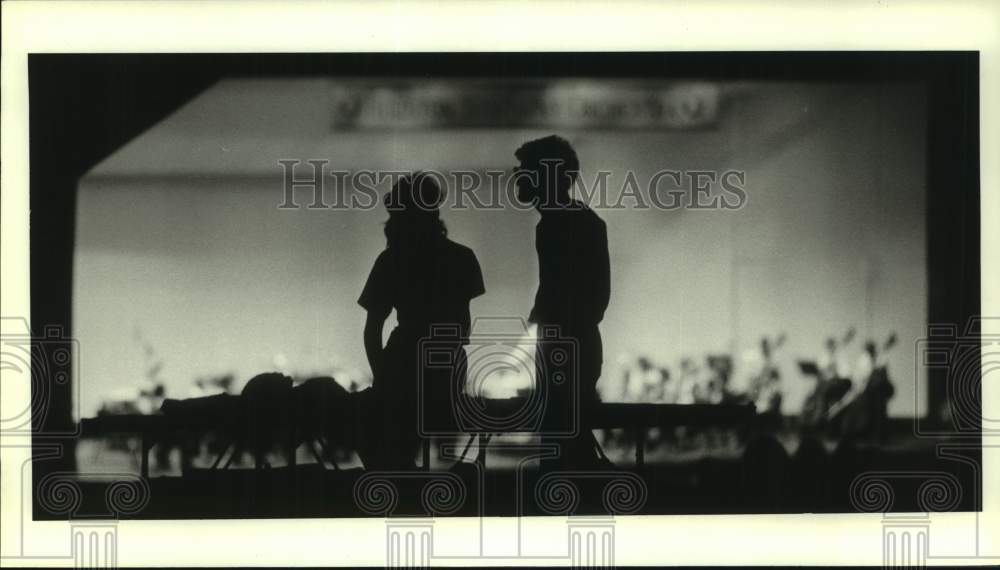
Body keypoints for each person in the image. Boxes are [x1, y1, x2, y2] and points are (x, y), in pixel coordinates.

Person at [358, 173, 485, 469]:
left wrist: (382, 376)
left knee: (388, 451)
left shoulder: (390, 261)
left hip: (401, 362)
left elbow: (372, 328)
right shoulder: (462, 258)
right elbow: (462, 328)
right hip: (448, 366)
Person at [513, 135, 612, 470]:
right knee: (567, 448)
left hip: (565, 352)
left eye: (525, 170)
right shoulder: (574, 223)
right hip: (570, 348)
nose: (517, 177)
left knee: (560, 454)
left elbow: (574, 296)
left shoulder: (559, 226)